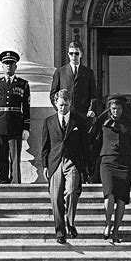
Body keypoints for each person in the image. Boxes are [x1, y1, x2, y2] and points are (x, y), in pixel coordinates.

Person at [89, 94, 131, 243]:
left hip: (125, 162)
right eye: (113, 109)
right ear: (109, 109)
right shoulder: (102, 121)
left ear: (123, 109)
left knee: (122, 198)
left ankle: (116, 230)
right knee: (109, 193)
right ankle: (108, 223)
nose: (116, 111)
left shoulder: (130, 124)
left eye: (118, 108)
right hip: (107, 161)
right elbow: (93, 140)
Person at [41, 89, 91, 244]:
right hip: (55, 162)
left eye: (66, 105)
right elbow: (45, 146)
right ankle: (60, 231)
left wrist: (87, 167)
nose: (63, 108)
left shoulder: (79, 121)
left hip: (73, 162)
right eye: (60, 105)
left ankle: (70, 223)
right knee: (55, 197)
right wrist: (44, 165)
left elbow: (85, 144)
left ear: (70, 103)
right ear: (56, 104)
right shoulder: (49, 122)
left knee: (70, 192)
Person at [0, 50, 31, 184]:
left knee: (15, 158)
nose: (8, 66)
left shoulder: (23, 84)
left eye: (11, 64)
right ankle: (3, 182)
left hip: (16, 124)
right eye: (6, 64)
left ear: (16, 66)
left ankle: (16, 183)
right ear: (2, 66)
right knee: (1, 157)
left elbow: (26, 107)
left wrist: (26, 127)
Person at [50, 41, 98, 122]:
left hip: (83, 115)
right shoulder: (60, 72)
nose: (73, 56)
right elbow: (53, 94)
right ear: (68, 54)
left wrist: (91, 109)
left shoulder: (88, 72)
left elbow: (94, 95)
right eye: (71, 53)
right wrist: (59, 108)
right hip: (65, 115)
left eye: (76, 53)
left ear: (81, 54)